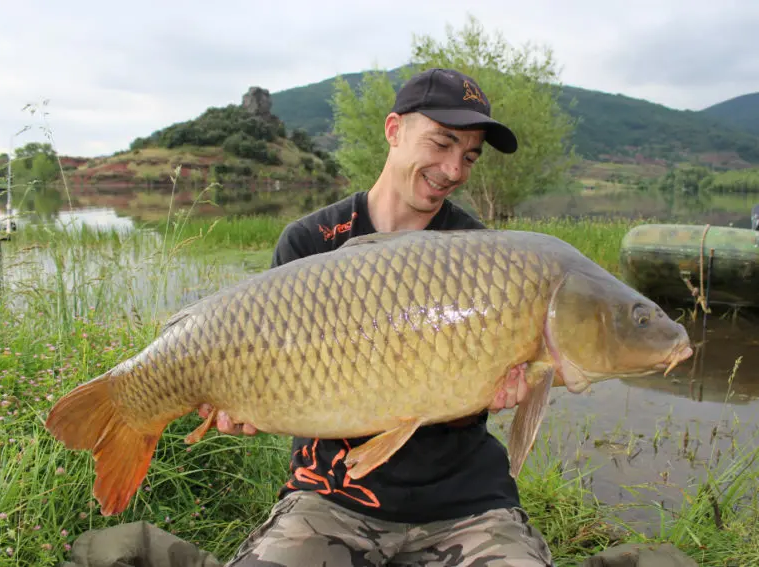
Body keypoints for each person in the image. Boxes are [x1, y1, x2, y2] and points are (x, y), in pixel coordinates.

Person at [202, 67, 553, 567]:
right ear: (394, 131)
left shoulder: (480, 255)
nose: (454, 169)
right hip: (330, 499)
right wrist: (243, 398)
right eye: (442, 143)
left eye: (469, 156)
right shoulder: (309, 241)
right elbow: (270, 365)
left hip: (466, 506)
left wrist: (501, 390)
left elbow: (479, 389)